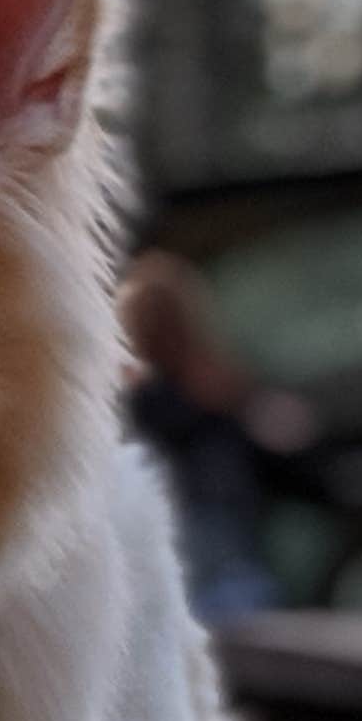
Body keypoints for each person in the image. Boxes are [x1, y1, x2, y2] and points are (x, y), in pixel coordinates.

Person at [119, 248, 314, 618]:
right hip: (228, 570)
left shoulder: (122, 408)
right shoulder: (226, 397)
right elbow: (302, 479)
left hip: (160, 575)